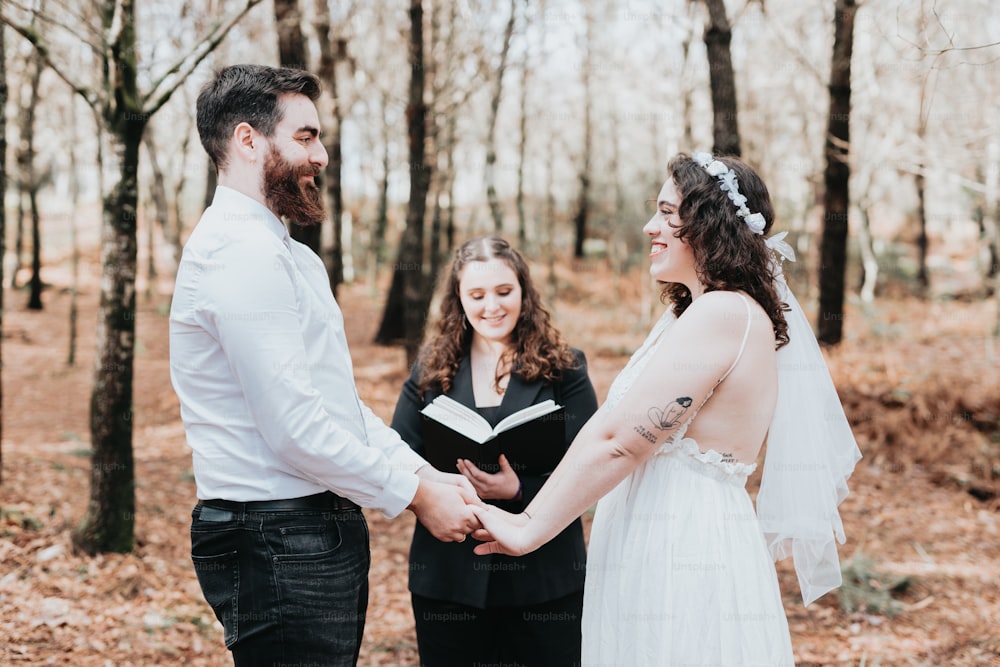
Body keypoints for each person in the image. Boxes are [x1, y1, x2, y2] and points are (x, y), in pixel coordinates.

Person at [472, 152, 862, 665]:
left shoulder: (723, 313)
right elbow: (606, 428)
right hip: (661, 530)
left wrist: (528, 530)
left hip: (685, 543)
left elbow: (622, 443)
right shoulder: (705, 313)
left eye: (667, 212)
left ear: (707, 223)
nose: (649, 226)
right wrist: (529, 516)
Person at [169, 64, 480, 667]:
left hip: (304, 531)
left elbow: (333, 405)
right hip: (275, 535)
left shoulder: (286, 255)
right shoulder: (240, 253)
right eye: (306, 136)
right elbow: (293, 430)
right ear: (248, 140)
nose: (323, 155)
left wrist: (424, 473)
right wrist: (416, 496)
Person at [390, 236, 599, 667]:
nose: (492, 306)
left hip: (545, 578)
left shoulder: (567, 368)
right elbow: (399, 453)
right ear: (459, 299)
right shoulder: (430, 367)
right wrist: (443, 488)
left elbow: (591, 466)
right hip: (448, 577)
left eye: (504, 292)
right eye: (477, 295)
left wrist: (519, 488)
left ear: (524, 291)